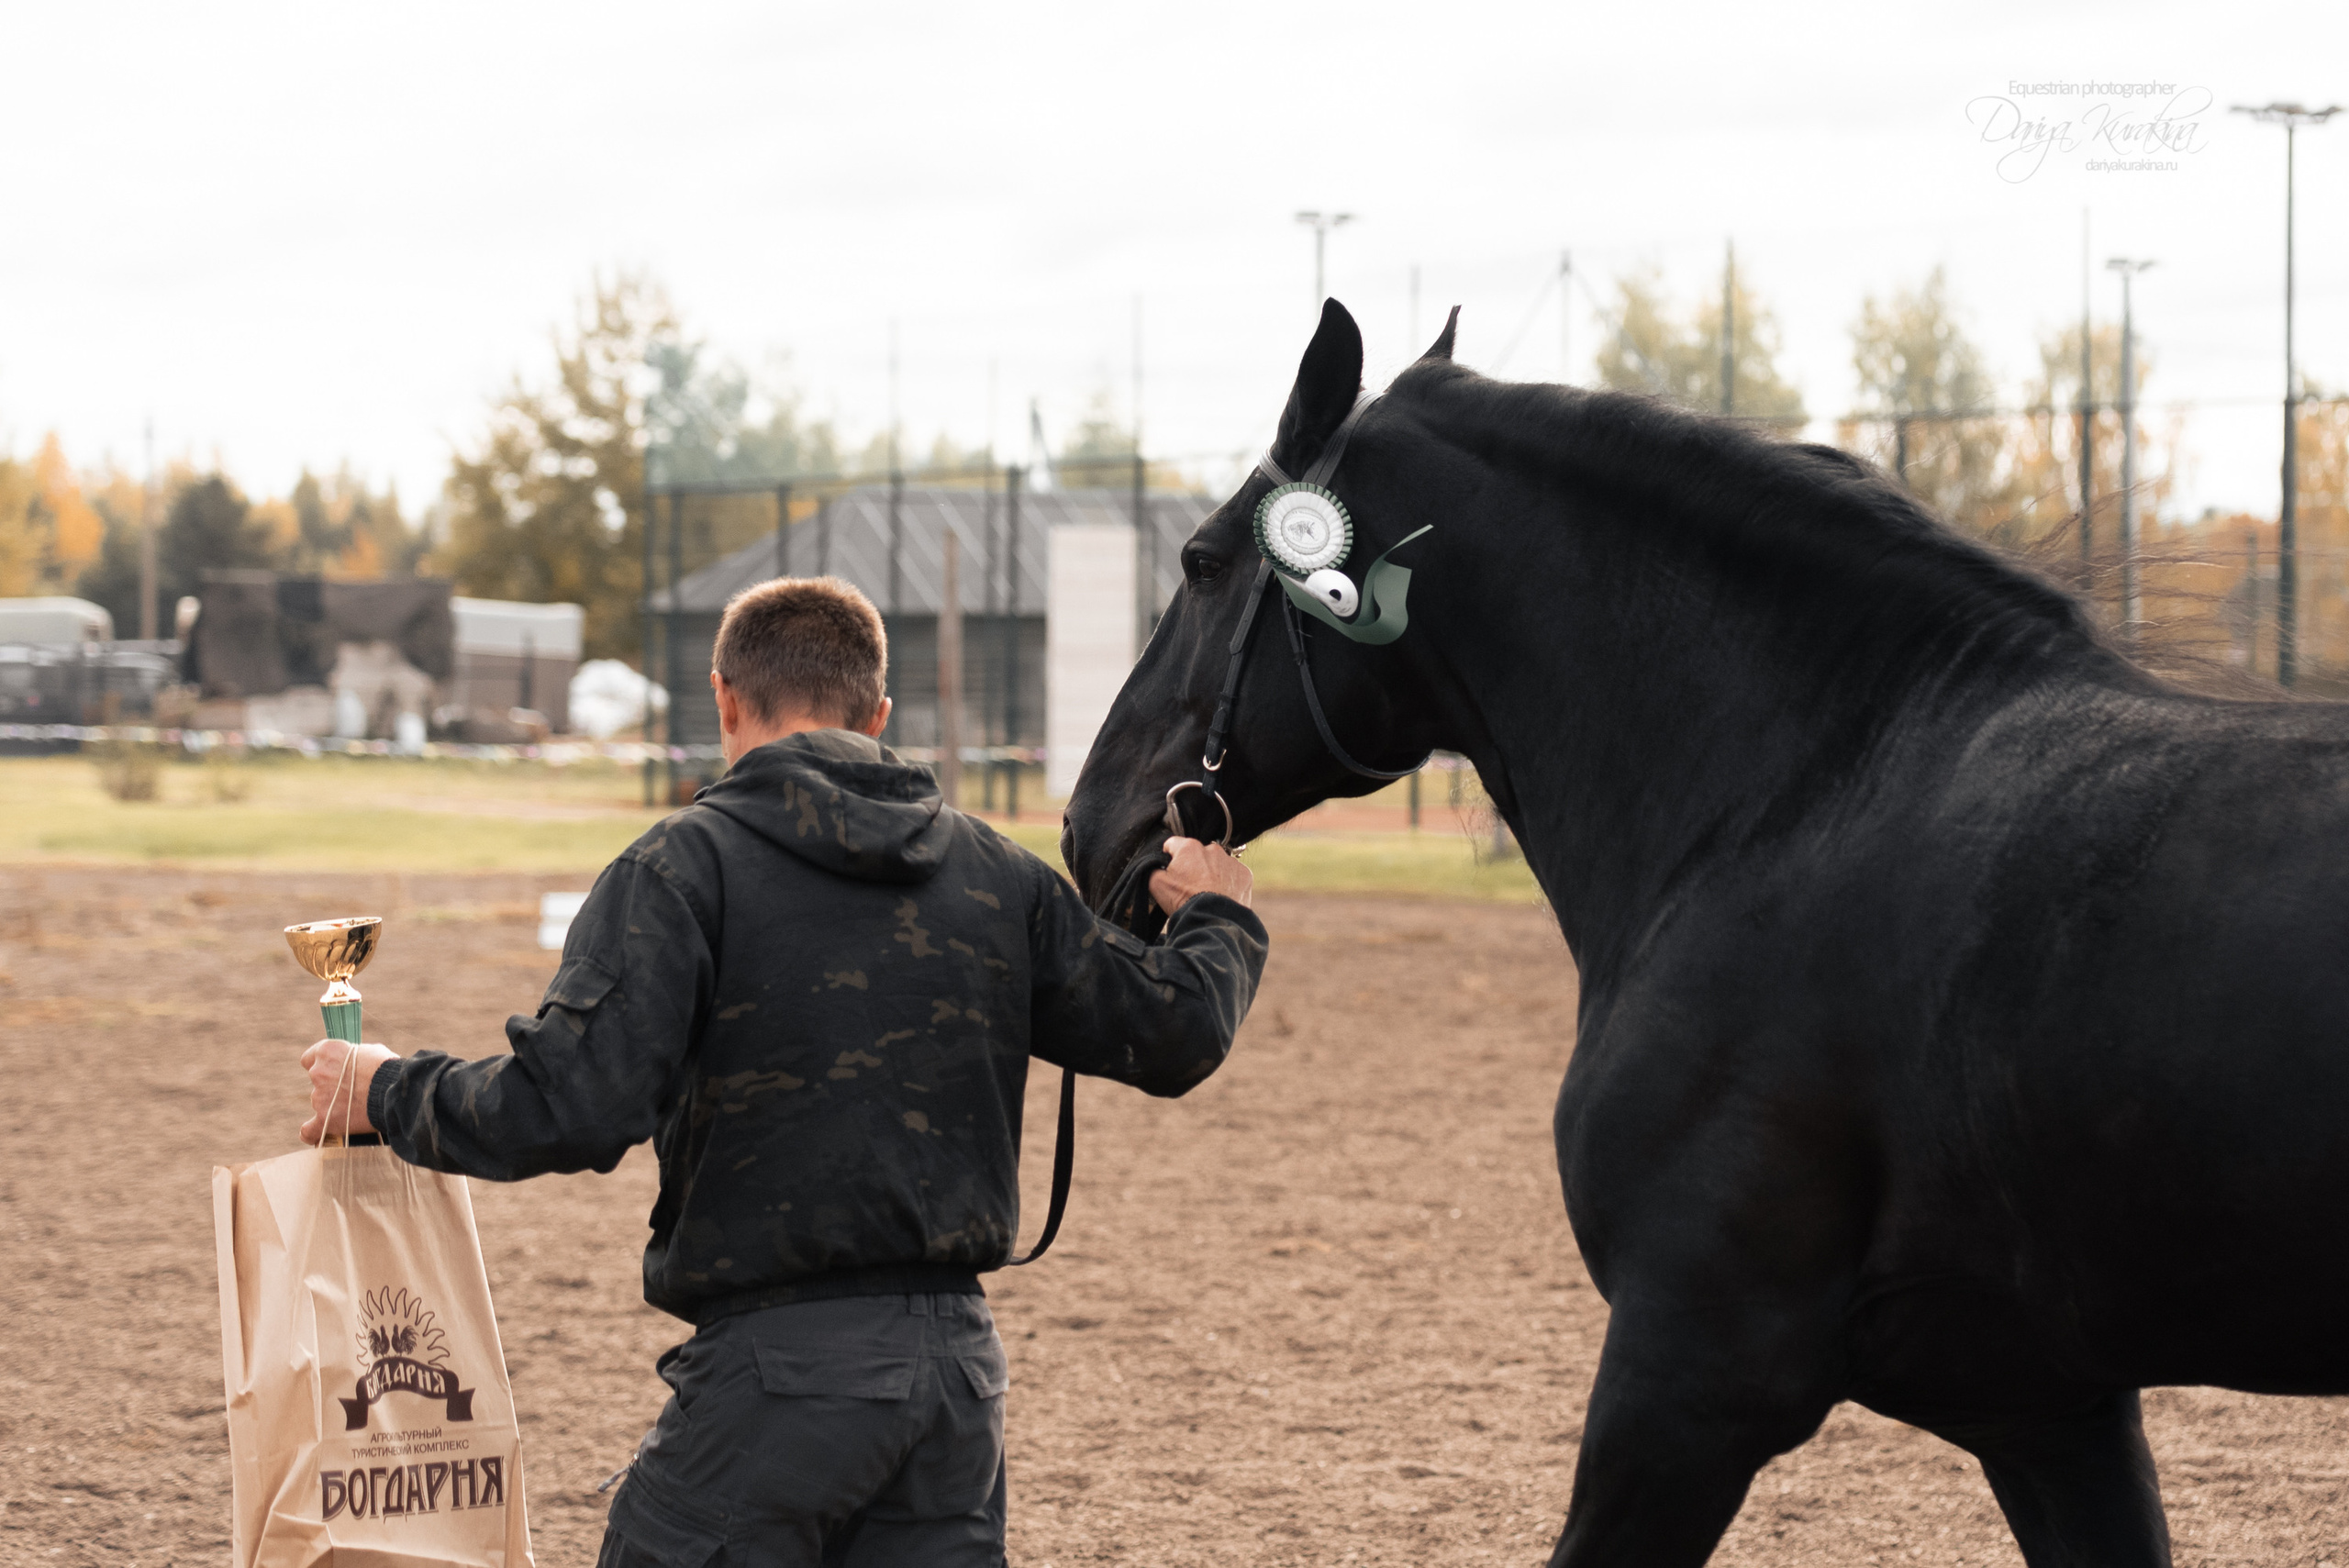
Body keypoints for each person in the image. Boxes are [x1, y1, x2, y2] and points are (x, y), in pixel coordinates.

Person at [299, 574, 1264, 1567]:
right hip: (956, 1386)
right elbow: (1174, 1030)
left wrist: (384, 1088)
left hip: (777, 1376)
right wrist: (1218, 913)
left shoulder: (679, 869)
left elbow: (572, 1106)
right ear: (881, 714)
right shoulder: (997, 874)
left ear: (723, 698)